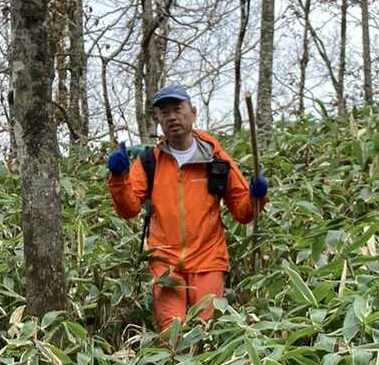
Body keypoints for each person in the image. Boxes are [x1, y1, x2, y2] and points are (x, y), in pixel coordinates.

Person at [106, 85, 268, 330]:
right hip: (165, 263)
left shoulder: (216, 158)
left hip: (208, 259)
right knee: (171, 334)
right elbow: (128, 210)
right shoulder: (150, 160)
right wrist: (119, 178)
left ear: (193, 113)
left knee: (206, 332)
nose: (172, 117)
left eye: (178, 109)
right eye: (165, 112)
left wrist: (257, 196)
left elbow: (243, 213)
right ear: (158, 119)